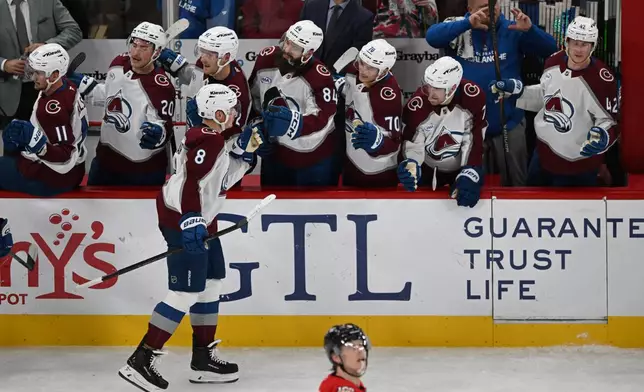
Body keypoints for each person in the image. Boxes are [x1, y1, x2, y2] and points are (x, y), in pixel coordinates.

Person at [118, 84, 262, 391]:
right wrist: (191, 220)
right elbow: (191, 184)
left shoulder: (214, 139)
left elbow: (217, 180)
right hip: (185, 220)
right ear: (219, 113)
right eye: (232, 109)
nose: (237, 114)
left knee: (212, 280)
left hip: (200, 220)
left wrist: (245, 157)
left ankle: (202, 359)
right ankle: (140, 360)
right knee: (185, 291)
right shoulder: (207, 139)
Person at [425, 0, 557, 186]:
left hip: (508, 123)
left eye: (493, 6)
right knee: (473, 186)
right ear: (469, 9)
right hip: (468, 127)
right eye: (483, 7)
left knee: (517, 187)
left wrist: (530, 30)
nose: (489, 11)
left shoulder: (513, 28)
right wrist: (467, 24)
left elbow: (551, 49)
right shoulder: (458, 26)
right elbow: (432, 37)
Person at [491, 16, 619, 187]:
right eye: (575, 43)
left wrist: (602, 138)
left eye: (584, 44)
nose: (578, 50)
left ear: (593, 46)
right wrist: (516, 91)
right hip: (542, 157)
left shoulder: (603, 79)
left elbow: (610, 122)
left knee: (573, 213)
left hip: (578, 167)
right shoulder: (553, 61)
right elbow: (545, 97)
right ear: (567, 41)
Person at [68, 22, 176, 186]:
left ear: (157, 52)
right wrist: (87, 86)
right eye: (134, 44)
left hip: (142, 171)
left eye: (144, 48)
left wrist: (158, 134)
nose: (135, 52)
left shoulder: (160, 87)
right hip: (105, 162)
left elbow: (163, 125)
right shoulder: (118, 63)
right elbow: (112, 97)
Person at [249, 20, 339, 186]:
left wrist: (292, 123)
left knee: (313, 211)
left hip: (313, 159)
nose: (287, 50)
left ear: (309, 52)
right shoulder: (265, 60)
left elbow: (323, 118)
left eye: (295, 47)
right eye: (287, 41)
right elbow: (253, 100)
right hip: (275, 156)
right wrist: (257, 129)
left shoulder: (320, 77)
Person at [398, 56, 486, 208]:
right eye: (428, 86)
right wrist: (411, 165)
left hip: (459, 168)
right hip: (427, 171)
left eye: (437, 88)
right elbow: (412, 143)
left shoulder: (473, 97)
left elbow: (473, 139)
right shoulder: (417, 105)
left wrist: (469, 172)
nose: (430, 93)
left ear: (453, 88)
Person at [0, 44, 88, 197]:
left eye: (39, 73)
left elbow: (64, 155)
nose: (33, 77)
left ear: (54, 75)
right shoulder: (66, 85)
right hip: (75, 169)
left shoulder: (52, 110)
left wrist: (38, 145)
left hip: (53, 177)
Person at [158, 26, 251, 150]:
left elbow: (230, 144)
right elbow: (196, 80)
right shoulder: (208, 65)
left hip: (213, 157)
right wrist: (179, 66)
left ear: (226, 58)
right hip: (192, 142)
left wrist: (199, 125)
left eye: (210, 54)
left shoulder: (237, 96)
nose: (203, 58)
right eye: (202, 51)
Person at [0, 0, 81, 132]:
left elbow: (74, 31)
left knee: (52, 145)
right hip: (10, 92)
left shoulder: (48, 2)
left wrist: (47, 46)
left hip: (50, 87)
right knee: (15, 146)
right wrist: (4, 64)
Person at [338, 39, 403, 187]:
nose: (363, 70)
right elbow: (350, 88)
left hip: (379, 172)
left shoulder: (388, 96)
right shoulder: (354, 69)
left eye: (370, 68)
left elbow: (395, 142)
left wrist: (378, 142)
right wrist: (340, 85)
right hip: (351, 163)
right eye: (362, 63)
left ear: (384, 71)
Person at [319, 323, 370, 392]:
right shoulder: (342, 389)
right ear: (336, 357)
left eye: (361, 345)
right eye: (351, 347)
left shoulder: (344, 383)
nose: (360, 351)